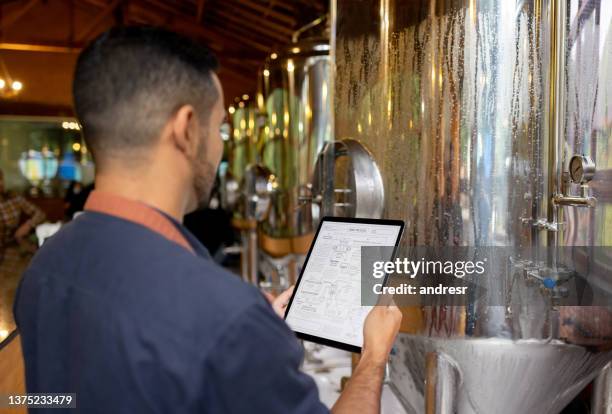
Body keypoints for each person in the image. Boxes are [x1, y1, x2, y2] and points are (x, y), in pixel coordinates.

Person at [14, 27, 402, 414]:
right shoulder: (222, 314)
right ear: (185, 129)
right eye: (218, 127)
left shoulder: (45, 267)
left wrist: (253, 334)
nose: (219, 146)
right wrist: (372, 358)